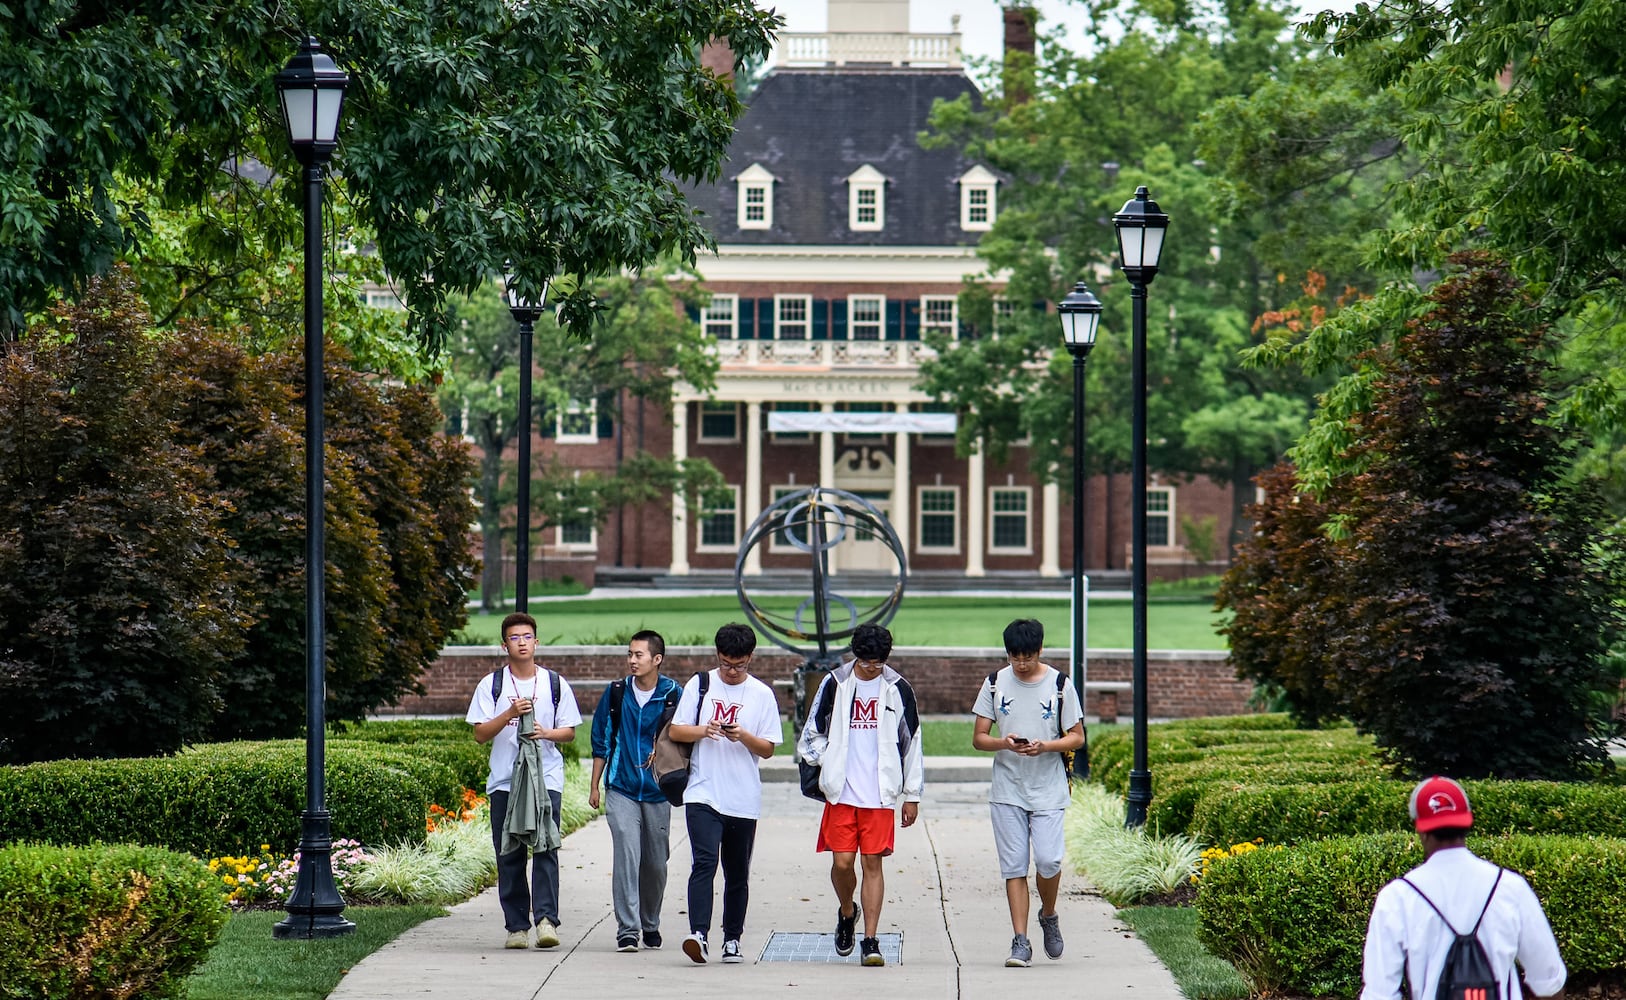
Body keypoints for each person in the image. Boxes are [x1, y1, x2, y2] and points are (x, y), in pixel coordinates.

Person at [1360, 776, 1566, 1000]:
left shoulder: (1397, 897)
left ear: (1420, 829)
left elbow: (1379, 993)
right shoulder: (1510, 887)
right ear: (1467, 822)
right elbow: (1548, 980)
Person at [797, 622, 924, 967]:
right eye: (867, 662)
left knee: (872, 863)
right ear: (855, 654)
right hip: (842, 792)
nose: (873, 668)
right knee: (841, 862)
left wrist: (912, 794)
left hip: (879, 794)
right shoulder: (835, 684)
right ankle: (846, 910)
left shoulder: (898, 689)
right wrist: (833, 759)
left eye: (879, 662)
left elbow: (911, 743)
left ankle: (870, 939)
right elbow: (811, 736)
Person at [971, 617, 1086, 968]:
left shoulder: (1061, 684)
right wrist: (1003, 743)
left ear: (1040, 651)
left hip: (1048, 788)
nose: (1020, 664)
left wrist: (1047, 746)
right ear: (1007, 654)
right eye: (1014, 658)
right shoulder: (994, 683)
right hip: (1007, 788)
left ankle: (1048, 914)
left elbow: (1077, 737)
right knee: (1014, 867)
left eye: (1027, 657)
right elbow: (979, 738)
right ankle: (1020, 941)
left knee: (1050, 859)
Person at [468, 612, 582, 950]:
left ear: (536, 642)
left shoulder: (554, 684)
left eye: (527, 636)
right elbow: (479, 734)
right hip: (505, 780)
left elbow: (570, 733)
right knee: (510, 852)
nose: (522, 642)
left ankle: (546, 921)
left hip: (546, 778)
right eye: (515, 638)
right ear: (504, 645)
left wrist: (545, 732)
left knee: (546, 848)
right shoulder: (492, 685)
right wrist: (508, 714)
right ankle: (516, 926)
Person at [668, 622, 781, 965]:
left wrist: (743, 736)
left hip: (743, 796)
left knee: (737, 871)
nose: (732, 672)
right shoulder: (700, 685)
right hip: (703, 791)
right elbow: (676, 729)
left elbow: (768, 749)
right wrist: (705, 730)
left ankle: (732, 938)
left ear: (751, 658)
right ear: (717, 656)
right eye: (726, 664)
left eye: (739, 665)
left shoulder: (761, 695)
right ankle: (698, 934)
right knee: (704, 861)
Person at [589, 629, 681, 953]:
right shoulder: (616, 692)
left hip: (658, 792)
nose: (632, 660)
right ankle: (628, 929)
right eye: (629, 654)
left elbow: (685, 738)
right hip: (622, 788)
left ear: (657, 659)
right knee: (627, 854)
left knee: (656, 863)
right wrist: (595, 786)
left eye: (638, 655)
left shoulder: (673, 694)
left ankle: (650, 922)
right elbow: (601, 739)